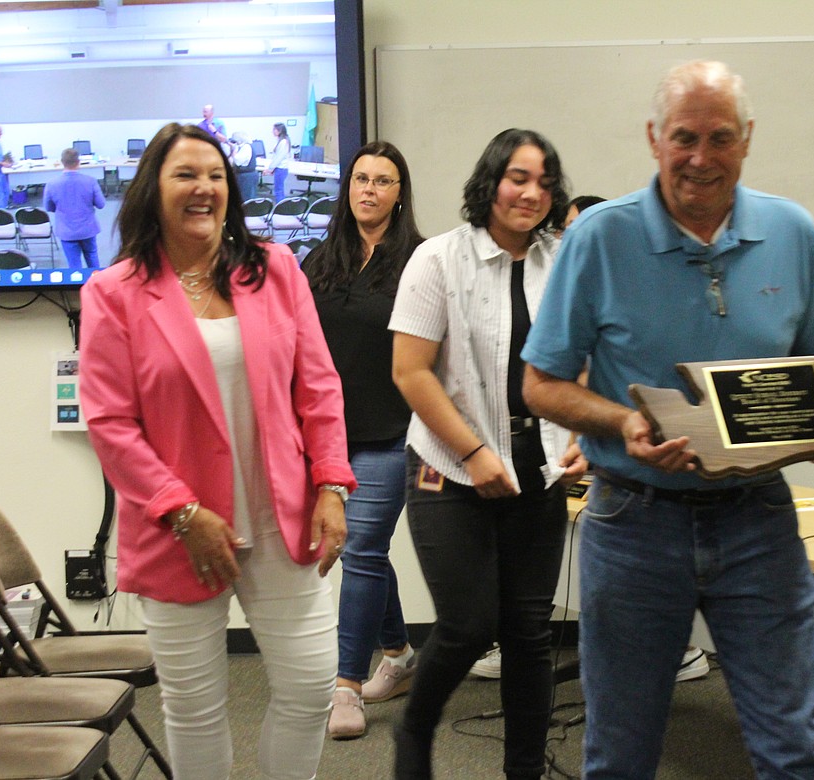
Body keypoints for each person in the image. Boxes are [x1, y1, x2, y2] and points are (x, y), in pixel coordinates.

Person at [521, 60, 814, 779]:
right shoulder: (599, 240)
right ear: (654, 139)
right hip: (634, 525)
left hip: (760, 523)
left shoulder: (791, 230)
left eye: (719, 138)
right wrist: (623, 424)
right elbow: (541, 385)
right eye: (684, 137)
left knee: (796, 751)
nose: (700, 158)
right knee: (619, 758)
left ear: (746, 140)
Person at [78, 122, 355, 780]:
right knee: (195, 708)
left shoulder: (276, 270)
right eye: (185, 175)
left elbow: (319, 387)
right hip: (179, 533)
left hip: (283, 516)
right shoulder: (113, 294)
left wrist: (332, 487)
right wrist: (182, 511)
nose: (204, 188)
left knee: (312, 689)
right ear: (153, 189)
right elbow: (111, 423)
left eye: (214, 176)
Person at [389, 128, 587, 780]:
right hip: (448, 468)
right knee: (471, 624)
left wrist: (582, 436)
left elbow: (582, 361)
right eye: (518, 177)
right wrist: (474, 452)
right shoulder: (438, 260)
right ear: (490, 182)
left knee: (530, 636)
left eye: (544, 181)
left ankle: (524, 772)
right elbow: (411, 372)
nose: (532, 192)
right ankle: (414, 730)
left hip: (540, 468)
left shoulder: (560, 263)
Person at [472, 188, 711, 686]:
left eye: (572, 232)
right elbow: (551, 380)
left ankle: (685, 646)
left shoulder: (633, 285)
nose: (566, 243)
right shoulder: (557, 288)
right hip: (608, 473)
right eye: (563, 233)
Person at [302, 141, 425, 740]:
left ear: (400, 193)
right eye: (359, 178)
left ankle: (345, 688)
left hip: (392, 434)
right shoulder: (321, 260)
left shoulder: (422, 262)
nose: (368, 189)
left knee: (364, 548)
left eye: (382, 180)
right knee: (361, 553)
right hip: (325, 437)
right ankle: (400, 654)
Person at [43, 148, 107, 270]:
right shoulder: (91, 181)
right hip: (88, 229)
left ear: (62, 162)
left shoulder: (51, 184)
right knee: (92, 259)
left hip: (66, 231)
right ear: (78, 162)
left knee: (74, 267)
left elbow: (48, 207)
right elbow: (101, 204)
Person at [266, 122, 293, 202]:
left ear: (279, 130)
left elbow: (278, 158)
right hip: (280, 168)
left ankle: (280, 208)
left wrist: (270, 169)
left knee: (278, 190)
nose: (273, 131)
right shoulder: (282, 140)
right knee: (279, 189)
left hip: (281, 169)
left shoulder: (283, 142)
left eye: (274, 129)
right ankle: (281, 206)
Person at [229, 131, 259, 201]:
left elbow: (237, 161)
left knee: (246, 198)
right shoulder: (242, 147)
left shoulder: (246, 147)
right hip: (243, 175)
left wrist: (234, 150)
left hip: (246, 176)